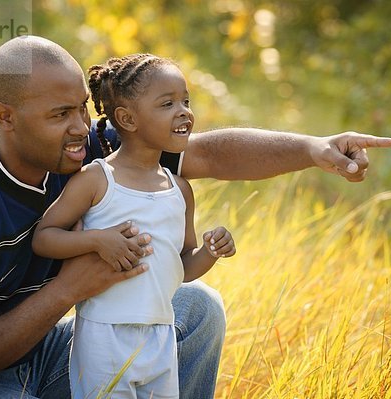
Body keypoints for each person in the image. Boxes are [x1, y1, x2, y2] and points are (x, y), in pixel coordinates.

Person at [0, 35, 391, 399]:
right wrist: (68, 289)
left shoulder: (82, 155)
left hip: (41, 347)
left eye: (83, 107)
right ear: (5, 116)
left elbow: (210, 155)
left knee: (197, 308)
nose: (82, 127)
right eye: (61, 115)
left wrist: (313, 148)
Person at [32, 53, 236, 398]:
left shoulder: (179, 189)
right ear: (127, 118)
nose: (184, 111)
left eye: (185, 101)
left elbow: (182, 267)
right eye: (167, 103)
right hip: (103, 337)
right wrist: (97, 241)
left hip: (160, 335)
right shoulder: (96, 179)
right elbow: (44, 238)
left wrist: (209, 252)